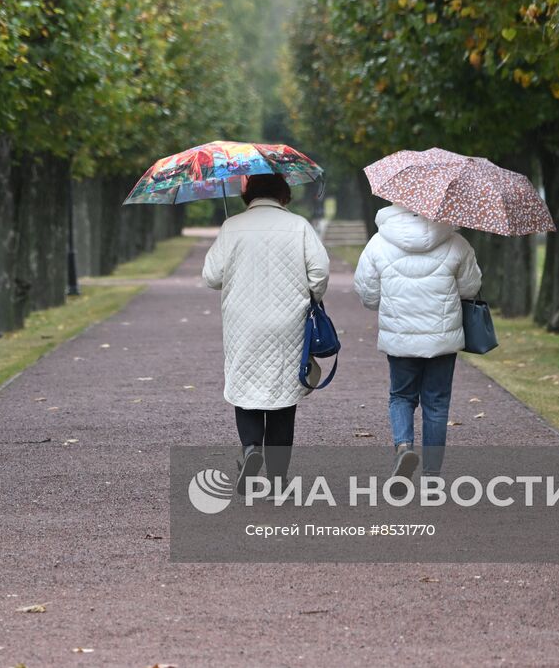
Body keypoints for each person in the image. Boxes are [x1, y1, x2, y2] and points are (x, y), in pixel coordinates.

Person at [203, 173, 330, 494]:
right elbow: (319, 272)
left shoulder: (232, 226)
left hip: (242, 321)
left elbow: (212, 277)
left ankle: (250, 450)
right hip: (288, 321)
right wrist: (312, 296)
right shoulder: (300, 226)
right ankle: (277, 480)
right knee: (284, 396)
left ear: (249, 196)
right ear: (283, 195)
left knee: (245, 386)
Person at [352, 204, 482, 479]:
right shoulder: (456, 241)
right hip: (442, 336)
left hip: (399, 335)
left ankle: (403, 447)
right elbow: (470, 288)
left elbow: (367, 293)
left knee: (401, 396)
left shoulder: (379, 242)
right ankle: (432, 473)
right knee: (436, 402)